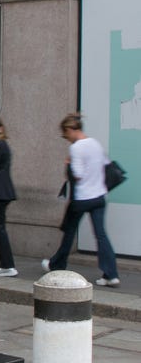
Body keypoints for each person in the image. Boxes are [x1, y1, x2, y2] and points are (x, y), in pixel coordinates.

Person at [42, 113, 120, 287]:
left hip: (83, 197)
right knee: (101, 235)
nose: (67, 138)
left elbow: (77, 175)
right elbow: (105, 165)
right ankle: (111, 274)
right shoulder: (96, 144)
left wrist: (68, 163)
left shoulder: (76, 148)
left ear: (70, 129)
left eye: (66, 134)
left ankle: (57, 264)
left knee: (69, 232)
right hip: (99, 196)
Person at [0, 121, 18, 277]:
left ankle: (8, 265)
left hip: (0, 192)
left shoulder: (0, 145)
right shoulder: (3, 144)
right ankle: (6, 264)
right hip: (3, 192)